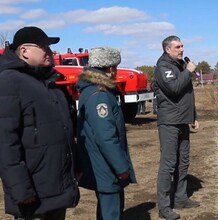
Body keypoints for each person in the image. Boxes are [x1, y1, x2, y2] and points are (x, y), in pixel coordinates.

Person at [0, 26, 80, 220]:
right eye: (44, 47)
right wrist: (21, 188)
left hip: (57, 188)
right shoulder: (8, 82)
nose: (50, 53)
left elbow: (64, 131)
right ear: (24, 51)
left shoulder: (50, 83)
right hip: (33, 193)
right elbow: (5, 143)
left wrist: (76, 167)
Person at [76, 47, 137, 220]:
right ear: (109, 69)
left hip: (102, 164)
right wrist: (121, 166)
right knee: (111, 212)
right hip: (106, 167)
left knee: (106, 210)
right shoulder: (99, 95)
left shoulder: (92, 91)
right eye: (115, 67)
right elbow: (106, 137)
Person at [152, 35, 200, 220]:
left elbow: (187, 93)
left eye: (182, 46)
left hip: (183, 120)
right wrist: (188, 72)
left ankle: (180, 197)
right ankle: (164, 206)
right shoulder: (163, 67)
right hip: (170, 122)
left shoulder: (179, 65)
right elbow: (174, 88)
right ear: (167, 49)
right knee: (168, 164)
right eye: (178, 47)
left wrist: (193, 116)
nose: (182, 49)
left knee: (183, 161)